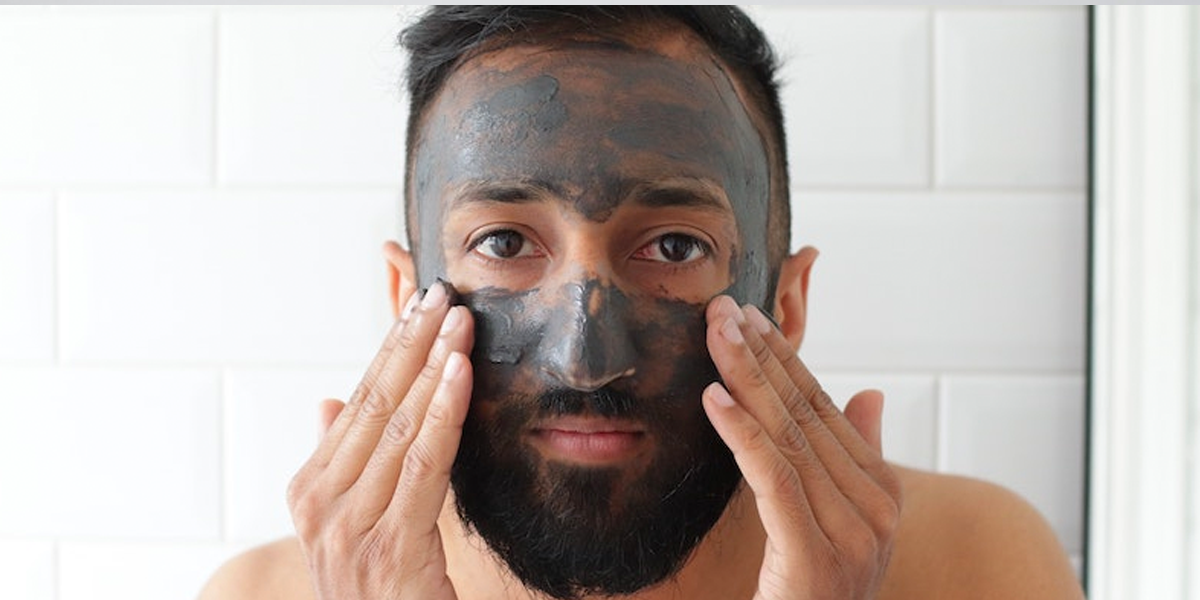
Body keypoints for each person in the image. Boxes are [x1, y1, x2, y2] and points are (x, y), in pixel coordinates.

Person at [200, 6, 1085, 600]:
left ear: (785, 301)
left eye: (673, 247)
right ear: (407, 303)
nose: (586, 358)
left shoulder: (980, 564)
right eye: (505, 244)